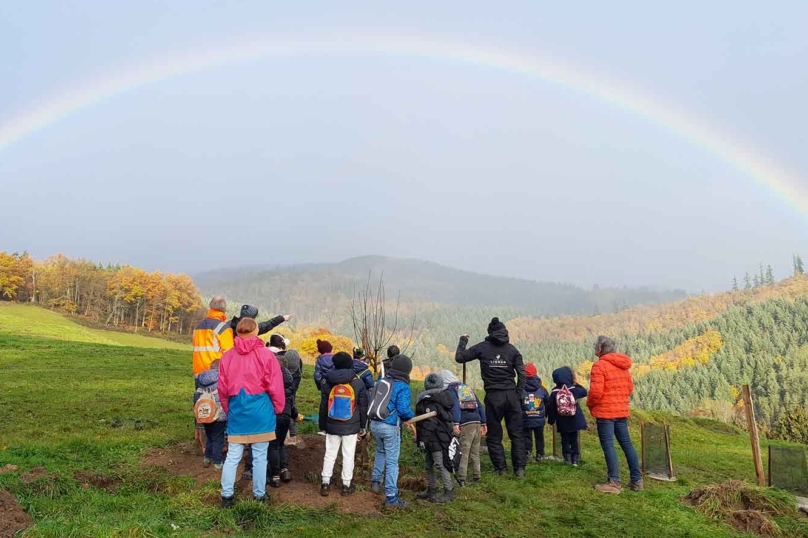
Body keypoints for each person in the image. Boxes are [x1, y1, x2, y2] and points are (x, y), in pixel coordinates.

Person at [217, 318, 285, 507]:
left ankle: (227, 497)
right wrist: (278, 408)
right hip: (261, 412)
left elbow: (222, 388)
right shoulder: (267, 356)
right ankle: (259, 495)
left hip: (237, 411)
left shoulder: (227, 356)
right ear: (256, 332)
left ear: (237, 333)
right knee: (260, 456)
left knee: (233, 456)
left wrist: (228, 409)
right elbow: (275, 385)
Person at [455, 317, 527, 477]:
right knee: (516, 434)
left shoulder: (483, 348)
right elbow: (522, 374)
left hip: (494, 396)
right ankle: (519, 469)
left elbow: (460, 358)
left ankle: (500, 468)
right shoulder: (513, 350)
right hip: (511, 395)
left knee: (494, 434)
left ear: (490, 332)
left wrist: (463, 340)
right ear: (504, 332)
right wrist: (518, 393)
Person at [586, 336, 643, 494]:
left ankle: (614, 482)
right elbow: (629, 388)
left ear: (600, 349)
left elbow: (596, 392)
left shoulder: (599, 366)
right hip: (621, 410)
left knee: (608, 445)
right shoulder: (623, 365)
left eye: (595, 347)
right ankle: (636, 481)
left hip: (605, 412)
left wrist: (590, 404)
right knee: (627, 444)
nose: (594, 350)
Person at [318, 352, 369, 496]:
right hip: (351, 425)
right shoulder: (358, 382)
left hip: (332, 423)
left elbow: (323, 405)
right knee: (348, 454)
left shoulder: (328, 381)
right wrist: (363, 426)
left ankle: (325, 483)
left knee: (330, 453)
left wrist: (322, 425)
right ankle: (346, 485)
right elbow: (363, 407)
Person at [370, 353, 415, 507]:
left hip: (374, 424)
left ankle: (376, 482)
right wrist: (410, 416)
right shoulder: (403, 386)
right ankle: (391, 497)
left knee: (380, 452)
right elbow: (403, 410)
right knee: (392, 462)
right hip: (389, 427)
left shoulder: (382, 381)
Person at [192, 296, 234, 452]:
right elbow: (230, 353)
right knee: (219, 407)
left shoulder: (198, 326)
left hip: (199, 372)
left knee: (201, 403)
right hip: (217, 373)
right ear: (224, 309)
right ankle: (218, 443)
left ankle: (201, 439)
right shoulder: (223, 328)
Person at [415, 373, 457, 503]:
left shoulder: (429, 401)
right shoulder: (443, 398)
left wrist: (422, 439)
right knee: (429, 464)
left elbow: (429, 423)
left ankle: (448, 492)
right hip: (438, 437)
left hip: (435, 438)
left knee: (440, 464)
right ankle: (431, 489)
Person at [440, 369, 486, 487]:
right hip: (477, 422)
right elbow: (479, 405)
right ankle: (477, 475)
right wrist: (483, 423)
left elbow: (455, 406)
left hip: (466, 424)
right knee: (475, 451)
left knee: (464, 451)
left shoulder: (451, 390)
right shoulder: (466, 387)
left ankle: (461, 478)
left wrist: (456, 423)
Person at [267, 355, 300, 488]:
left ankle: (275, 476)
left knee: (272, 445)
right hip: (285, 416)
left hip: (272, 414)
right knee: (281, 444)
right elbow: (291, 402)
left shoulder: (270, 377)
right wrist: (295, 414)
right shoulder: (289, 380)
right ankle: (284, 470)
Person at [546, 366, 587, 466]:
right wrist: (575, 383)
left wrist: (551, 420)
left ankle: (567, 458)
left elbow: (551, 408)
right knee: (574, 440)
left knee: (565, 440)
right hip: (575, 420)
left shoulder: (554, 392)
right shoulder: (573, 389)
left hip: (562, 421)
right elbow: (584, 392)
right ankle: (575, 459)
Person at [268, 334, 303, 446]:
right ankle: (290, 436)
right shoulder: (282, 369)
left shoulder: (289, 368)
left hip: (281, 399)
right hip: (282, 399)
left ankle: (290, 436)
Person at [194, 359, 227, 469]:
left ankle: (207, 458)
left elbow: (196, 396)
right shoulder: (222, 378)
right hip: (219, 414)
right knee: (218, 438)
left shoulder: (200, 379)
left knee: (209, 437)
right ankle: (217, 461)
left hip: (205, 413)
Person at [521, 363, 549, 463]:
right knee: (539, 437)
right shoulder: (542, 389)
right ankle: (540, 454)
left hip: (525, 418)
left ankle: (528, 453)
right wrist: (546, 415)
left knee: (526, 437)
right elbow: (548, 402)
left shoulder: (520, 388)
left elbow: (516, 402)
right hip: (539, 418)